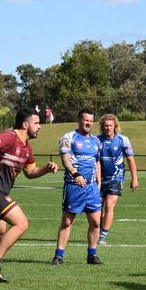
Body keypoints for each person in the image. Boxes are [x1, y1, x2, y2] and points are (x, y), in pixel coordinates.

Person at [0, 107, 58, 282]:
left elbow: (31, 172)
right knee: (22, 223)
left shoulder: (27, 148)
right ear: (25, 125)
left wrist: (45, 170)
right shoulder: (10, 137)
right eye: (37, 123)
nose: (40, 126)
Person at [51, 110, 103, 265]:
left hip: (92, 188)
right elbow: (66, 159)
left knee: (95, 222)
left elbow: (97, 162)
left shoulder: (96, 141)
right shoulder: (68, 137)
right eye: (86, 120)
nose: (88, 123)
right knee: (67, 222)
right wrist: (76, 174)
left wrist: (99, 182)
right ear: (79, 120)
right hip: (74, 186)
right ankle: (59, 256)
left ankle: (92, 255)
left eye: (91, 121)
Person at [97, 114, 139, 245]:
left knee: (109, 205)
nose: (108, 128)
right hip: (98, 179)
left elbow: (130, 160)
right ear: (102, 127)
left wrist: (134, 179)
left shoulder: (123, 140)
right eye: (106, 126)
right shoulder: (96, 140)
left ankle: (103, 235)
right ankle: (99, 229)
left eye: (110, 125)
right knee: (97, 209)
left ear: (115, 126)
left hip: (116, 178)